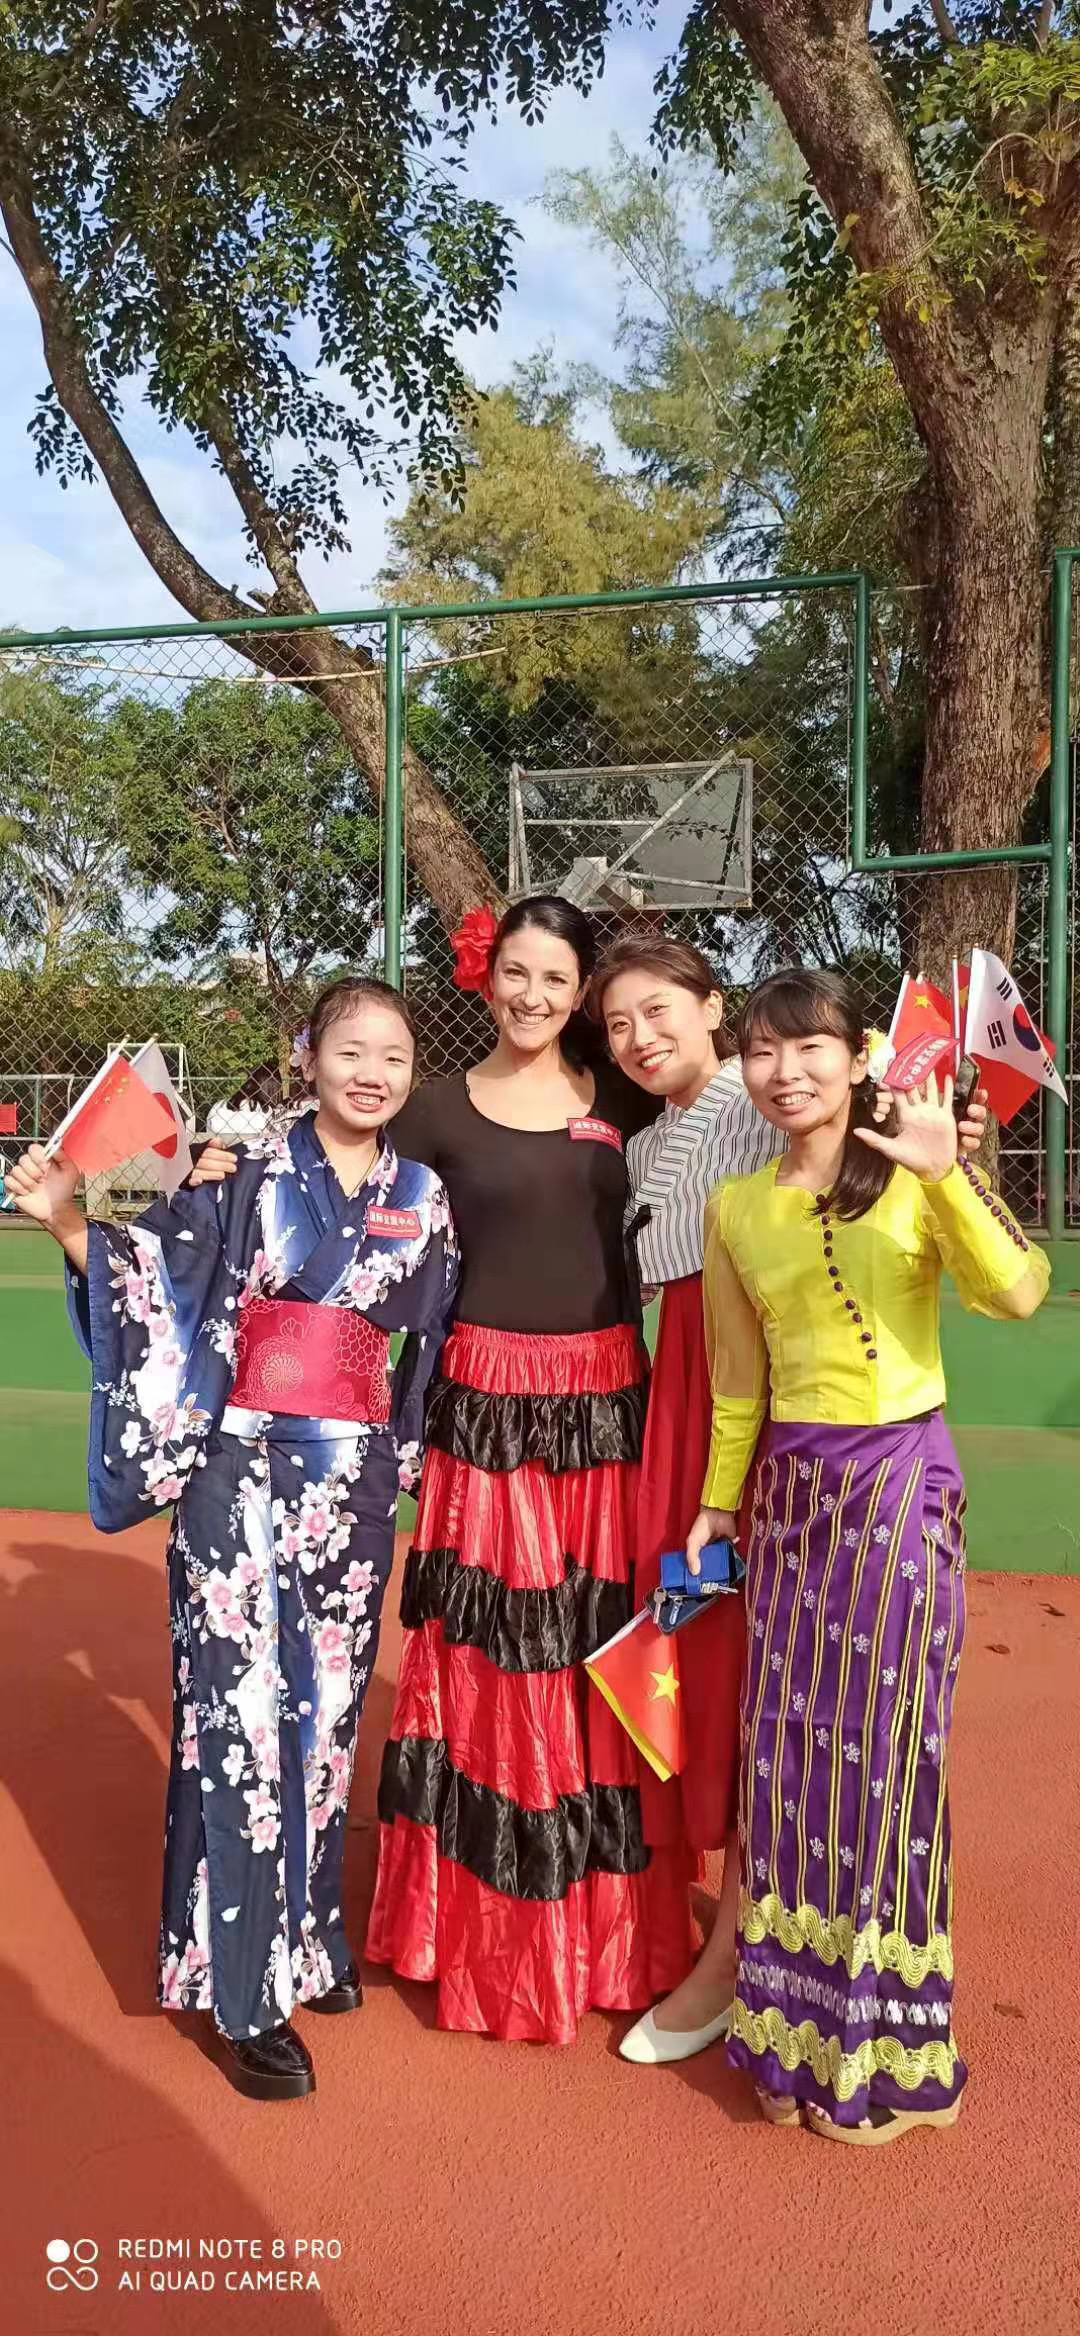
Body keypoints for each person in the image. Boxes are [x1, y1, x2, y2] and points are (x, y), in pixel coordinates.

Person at [7, 978, 458, 2102]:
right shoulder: (239, 1172)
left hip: (352, 1481)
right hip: (236, 1470)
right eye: (350, 1050)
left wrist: (404, 1459)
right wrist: (68, 1220)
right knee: (241, 1717)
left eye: (394, 1056)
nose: (372, 1072)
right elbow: (154, 1288)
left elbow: (435, 1346)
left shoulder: (422, 1194)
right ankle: (245, 1992)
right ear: (307, 1058)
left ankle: (308, 1935)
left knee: (329, 1712)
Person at [680, 967, 1048, 2144]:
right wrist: (718, 1504)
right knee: (788, 1754)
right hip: (789, 1501)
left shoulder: (913, 1174)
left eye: (810, 1047)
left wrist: (950, 1176)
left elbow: (1020, 1291)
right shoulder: (736, 1207)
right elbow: (738, 1380)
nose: (785, 1070)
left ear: (856, 1059)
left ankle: (886, 2046)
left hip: (899, 1488)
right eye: (763, 1050)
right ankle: (790, 2030)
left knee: (886, 1758)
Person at [364, 896, 692, 2041]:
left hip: (609, 1408)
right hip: (483, 1408)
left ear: (579, 988)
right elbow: (355, 1202)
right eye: (517, 972)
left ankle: (615, 1932)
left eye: (557, 978)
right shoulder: (433, 1112)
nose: (535, 995)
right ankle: (481, 1937)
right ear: (486, 974)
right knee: (498, 1660)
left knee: (604, 1647)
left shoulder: (628, 1097)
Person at [590, 933, 783, 2065]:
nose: (639, 1037)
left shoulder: (769, 1099)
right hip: (676, 1398)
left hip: (763, 1390)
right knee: (687, 1639)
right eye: (618, 1024)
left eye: (659, 1010)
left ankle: (742, 1941)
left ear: (714, 1005)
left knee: (757, 1655)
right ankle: (699, 1897)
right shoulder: (643, 1144)